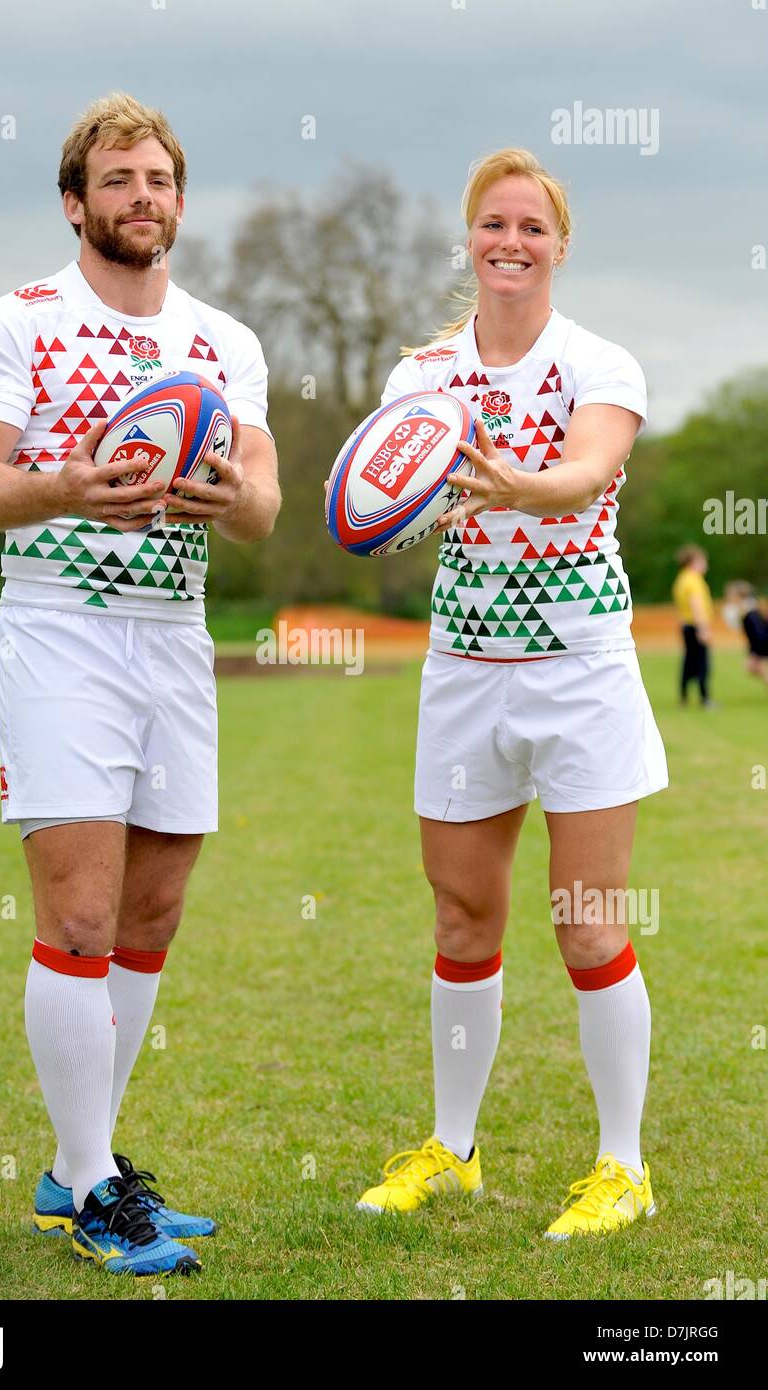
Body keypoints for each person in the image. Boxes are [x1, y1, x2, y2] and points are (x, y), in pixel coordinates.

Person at [0, 92, 280, 1278]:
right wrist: (70, 486)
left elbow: (265, 509)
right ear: (76, 201)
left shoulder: (224, 341)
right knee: (79, 917)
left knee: (149, 917)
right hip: (61, 633)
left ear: (181, 199)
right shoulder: (18, 321)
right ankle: (90, 1188)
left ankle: (76, 1165)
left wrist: (223, 495)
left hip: (174, 638)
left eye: (161, 180)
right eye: (120, 180)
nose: (144, 198)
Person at [355, 148, 668, 1240]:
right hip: (464, 673)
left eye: (532, 227)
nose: (511, 243)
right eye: (494, 224)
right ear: (470, 238)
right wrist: (389, 511)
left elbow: (583, 472)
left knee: (587, 924)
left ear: (559, 245)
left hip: (579, 673)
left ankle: (621, 1166)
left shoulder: (602, 363)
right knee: (459, 913)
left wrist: (503, 483)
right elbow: (385, 507)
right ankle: (453, 1149)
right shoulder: (419, 380)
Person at [672, 545, 715, 707]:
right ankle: (705, 698)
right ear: (693, 562)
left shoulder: (682, 579)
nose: (705, 564)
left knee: (688, 661)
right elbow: (696, 604)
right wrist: (703, 628)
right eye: (702, 561)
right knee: (702, 663)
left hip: (686, 625)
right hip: (695, 625)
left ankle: (683, 696)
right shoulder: (693, 580)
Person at [724, 581, 768, 685]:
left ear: (738, 596)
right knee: (751, 667)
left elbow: (757, 630)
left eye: (730, 594)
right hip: (757, 641)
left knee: (752, 666)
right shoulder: (747, 607)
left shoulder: (747, 609)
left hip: (761, 641)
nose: (728, 597)